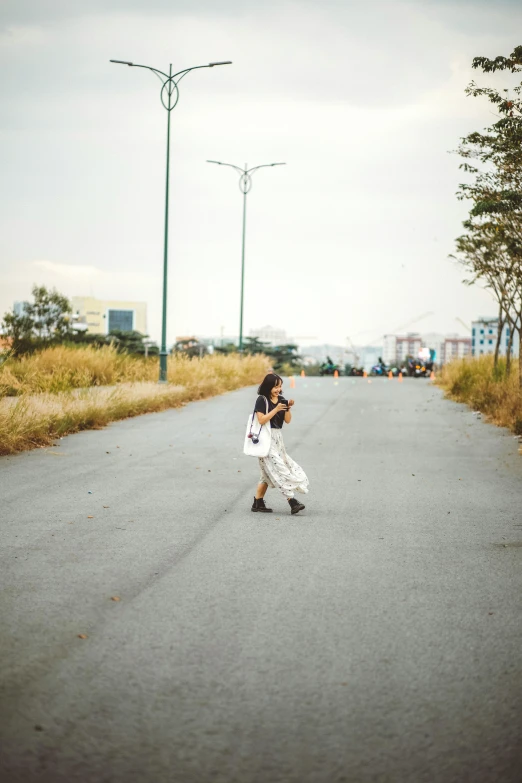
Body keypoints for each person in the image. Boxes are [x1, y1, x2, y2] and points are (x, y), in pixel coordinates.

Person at [251, 373, 309, 515]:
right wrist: (275, 409)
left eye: (280, 386)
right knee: (279, 469)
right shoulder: (262, 400)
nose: (278, 389)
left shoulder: (281, 399)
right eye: (275, 386)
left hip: (277, 438)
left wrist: (287, 408)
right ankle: (292, 501)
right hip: (265, 438)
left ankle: (257, 503)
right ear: (268, 386)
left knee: (267, 473)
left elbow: (287, 420)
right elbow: (262, 420)